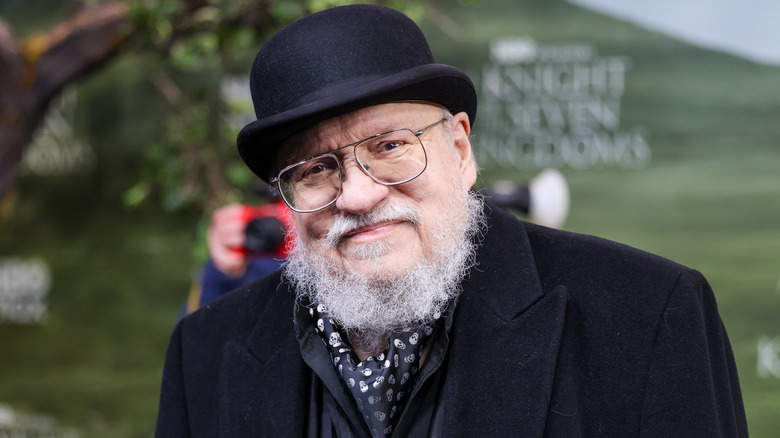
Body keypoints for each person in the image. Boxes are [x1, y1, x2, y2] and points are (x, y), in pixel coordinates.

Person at [155, 5, 747, 437]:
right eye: (316, 169)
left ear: (460, 151)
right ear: (287, 195)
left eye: (389, 145)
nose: (357, 196)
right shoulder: (205, 352)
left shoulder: (650, 314)